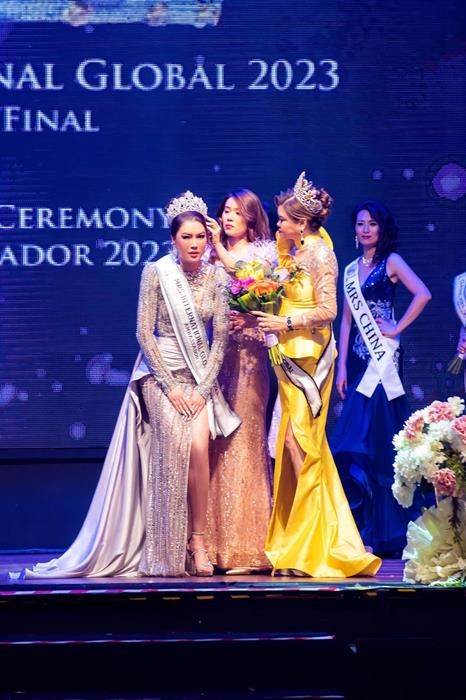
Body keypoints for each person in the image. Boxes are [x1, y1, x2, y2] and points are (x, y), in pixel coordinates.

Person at [20, 191, 240, 579]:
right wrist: (170, 386)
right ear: (173, 239)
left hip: (199, 378)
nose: (193, 244)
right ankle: (165, 548)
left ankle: (198, 542)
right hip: (159, 377)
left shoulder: (218, 278)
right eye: (186, 237)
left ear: (208, 239)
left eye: (199, 237)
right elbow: (143, 331)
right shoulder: (156, 272)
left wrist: (202, 389)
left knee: (198, 448)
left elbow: (220, 338)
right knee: (173, 447)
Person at [253, 172, 381, 577]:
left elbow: (328, 310)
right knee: (294, 443)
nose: (277, 225)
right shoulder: (292, 252)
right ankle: (308, 542)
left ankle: (313, 544)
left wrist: (285, 323)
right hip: (288, 353)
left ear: (302, 222)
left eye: (283, 220)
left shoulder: (322, 255)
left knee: (301, 443)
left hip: (311, 358)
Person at [330, 201, 432, 556]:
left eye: (372, 224)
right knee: (362, 437)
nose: (365, 229)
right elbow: (346, 321)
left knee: (375, 437)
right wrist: (342, 366)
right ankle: (366, 530)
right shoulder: (350, 269)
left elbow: (423, 294)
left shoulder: (392, 262)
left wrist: (397, 326)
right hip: (359, 362)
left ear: (381, 228)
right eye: (360, 223)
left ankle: (387, 531)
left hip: (383, 359)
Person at [204, 189, 274, 574]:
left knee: (245, 442)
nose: (227, 217)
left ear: (250, 217)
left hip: (249, 359)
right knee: (215, 446)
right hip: (217, 358)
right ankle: (214, 546)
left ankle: (248, 548)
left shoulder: (263, 253)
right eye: (224, 211)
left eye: (235, 212)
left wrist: (218, 246)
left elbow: (249, 282)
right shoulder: (210, 256)